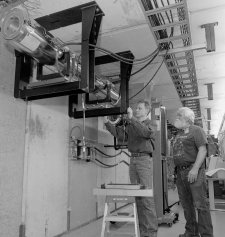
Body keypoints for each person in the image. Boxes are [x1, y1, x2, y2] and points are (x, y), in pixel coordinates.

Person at [104, 100, 158, 237]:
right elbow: (121, 136)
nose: (136, 110)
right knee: (138, 197)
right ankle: (142, 231)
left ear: (147, 111)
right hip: (133, 159)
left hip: (144, 160)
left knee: (146, 197)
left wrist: (131, 118)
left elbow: (145, 133)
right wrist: (107, 124)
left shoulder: (151, 123)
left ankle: (151, 232)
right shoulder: (132, 124)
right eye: (136, 108)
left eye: (139, 108)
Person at [173, 107, 214, 237]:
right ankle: (191, 232)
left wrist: (195, 169)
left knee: (200, 205)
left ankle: (207, 234)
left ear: (186, 118)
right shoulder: (179, 134)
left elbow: (202, 150)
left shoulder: (197, 130)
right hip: (180, 173)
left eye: (179, 116)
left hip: (193, 172)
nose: (176, 118)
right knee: (187, 205)